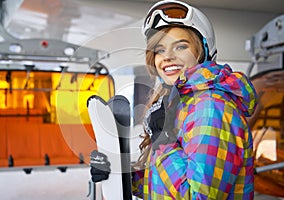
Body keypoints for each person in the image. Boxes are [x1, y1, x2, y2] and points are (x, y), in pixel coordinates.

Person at [90, 0, 258, 199]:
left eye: (180, 46)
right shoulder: (181, 103)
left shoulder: (211, 107)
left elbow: (197, 196)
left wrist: (164, 142)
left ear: (203, 51)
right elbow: (164, 185)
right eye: (160, 50)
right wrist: (123, 175)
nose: (167, 56)